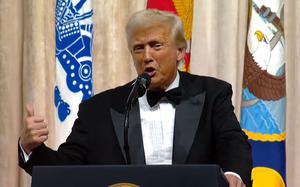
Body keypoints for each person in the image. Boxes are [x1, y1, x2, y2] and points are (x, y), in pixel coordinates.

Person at [19, 9, 252, 187]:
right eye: (138, 48)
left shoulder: (212, 93)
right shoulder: (98, 109)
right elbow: (66, 171)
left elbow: (232, 142)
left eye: (156, 45)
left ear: (180, 51)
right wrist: (31, 148)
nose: (147, 56)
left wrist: (232, 175)